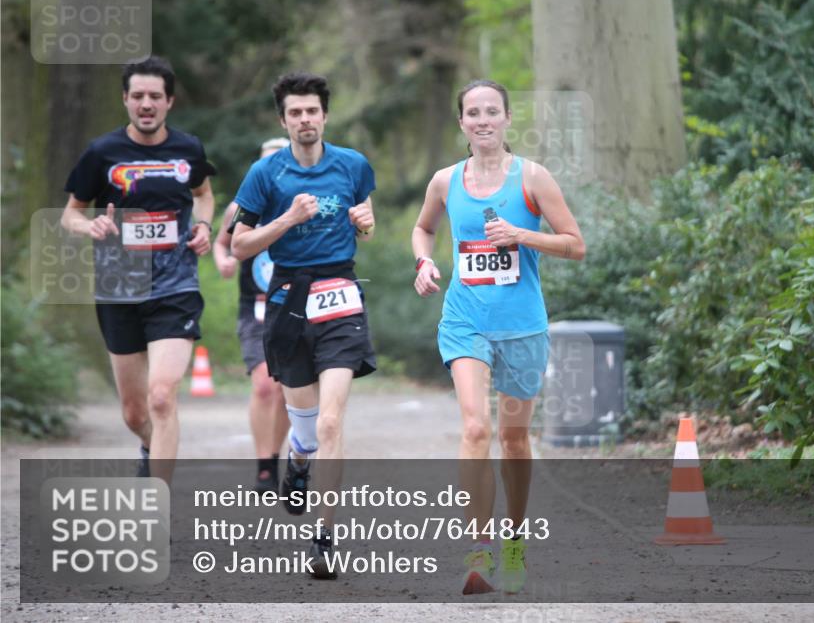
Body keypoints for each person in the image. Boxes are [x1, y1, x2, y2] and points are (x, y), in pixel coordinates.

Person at [412, 79, 585, 595]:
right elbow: (423, 228)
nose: (483, 120)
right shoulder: (445, 181)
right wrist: (423, 260)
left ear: (508, 119)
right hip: (465, 320)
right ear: (461, 122)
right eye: (473, 112)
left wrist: (521, 234)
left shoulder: (533, 178)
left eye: (492, 111)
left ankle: (513, 540)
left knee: (513, 439)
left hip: (523, 325)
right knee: (474, 430)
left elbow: (575, 245)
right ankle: (477, 554)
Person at [230, 72, 376, 579]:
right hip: (289, 296)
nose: (305, 119)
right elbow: (239, 245)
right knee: (308, 427)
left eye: (312, 110)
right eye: (295, 112)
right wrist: (287, 220)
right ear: (283, 120)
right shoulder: (266, 174)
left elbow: (366, 215)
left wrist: (366, 223)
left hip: (340, 294)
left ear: (325, 115)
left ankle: (322, 540)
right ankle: (297, 459)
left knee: (333, 421)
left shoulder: (353, 164)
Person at [60, 56, 216, 481]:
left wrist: (203, 225)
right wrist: (90, 224)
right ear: (126, 100)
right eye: (138, 96)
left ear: (169, 102)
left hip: (175, 284)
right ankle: (150, 445)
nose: (146, 104)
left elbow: (203, 194)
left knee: (162, 397)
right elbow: (70, 213)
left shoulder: (188, 149)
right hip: (119, 286)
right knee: (134, 413)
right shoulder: (102, 153)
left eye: (155, 96)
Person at [213, 138, 291, 493]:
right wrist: (224, 260)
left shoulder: (299, 205)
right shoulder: (241, 208)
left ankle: (275, 454)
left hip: (294, 304)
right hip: (255, 306)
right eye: (267, 164)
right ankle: (263, 466)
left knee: (289, 389)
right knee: (264, 385)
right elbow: (220, 242)